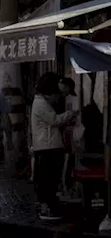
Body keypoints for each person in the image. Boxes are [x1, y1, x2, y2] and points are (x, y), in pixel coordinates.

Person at [31, 73, 79, 220]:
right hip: (47, 146)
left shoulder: (42, 102)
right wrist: (71, 114)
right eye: (58, 94)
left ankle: (47, 208)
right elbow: (54, 120)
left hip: (46, 145)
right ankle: (47, 211)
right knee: (48, 180)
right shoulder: (41, 104)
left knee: (47, 179)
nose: (60, 97)